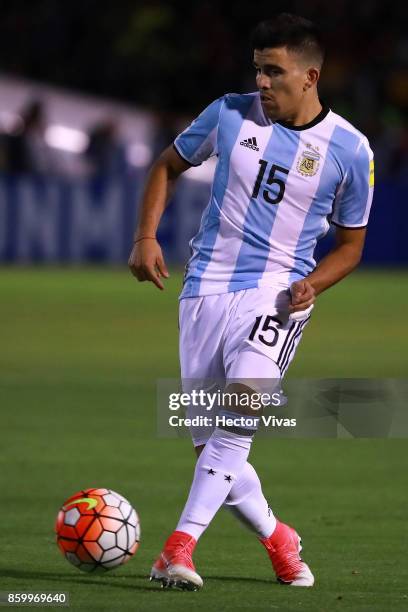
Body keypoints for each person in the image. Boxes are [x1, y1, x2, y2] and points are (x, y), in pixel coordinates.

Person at [128, 13, 374, 590]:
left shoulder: (350, 149)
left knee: (242, 409)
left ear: (309, 76)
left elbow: (352, 246)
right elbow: (167, 165)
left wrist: (316, 282)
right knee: (210, 446)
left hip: (279, 297)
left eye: (274, 72)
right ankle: (277, 538)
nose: (261, 82)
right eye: (257, 69)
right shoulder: (229, 113)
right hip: (204, 291)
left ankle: (177, 547)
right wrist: (145, 236)